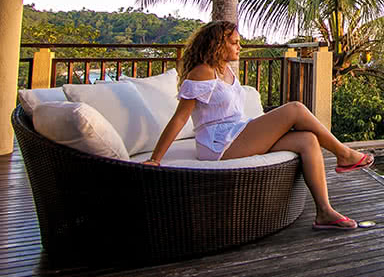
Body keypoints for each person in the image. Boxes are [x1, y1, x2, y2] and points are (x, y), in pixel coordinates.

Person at [144, 21, 372, 230]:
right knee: (295, 109)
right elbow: (180, 118)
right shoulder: (203, 72)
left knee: (307, 140)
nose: (239, 47)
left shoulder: (227, 70)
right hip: (218, 143)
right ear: (216, 44)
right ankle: (343, 154)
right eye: (234, 42)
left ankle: (324, 212)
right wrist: (156, 158)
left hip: (236, 132)